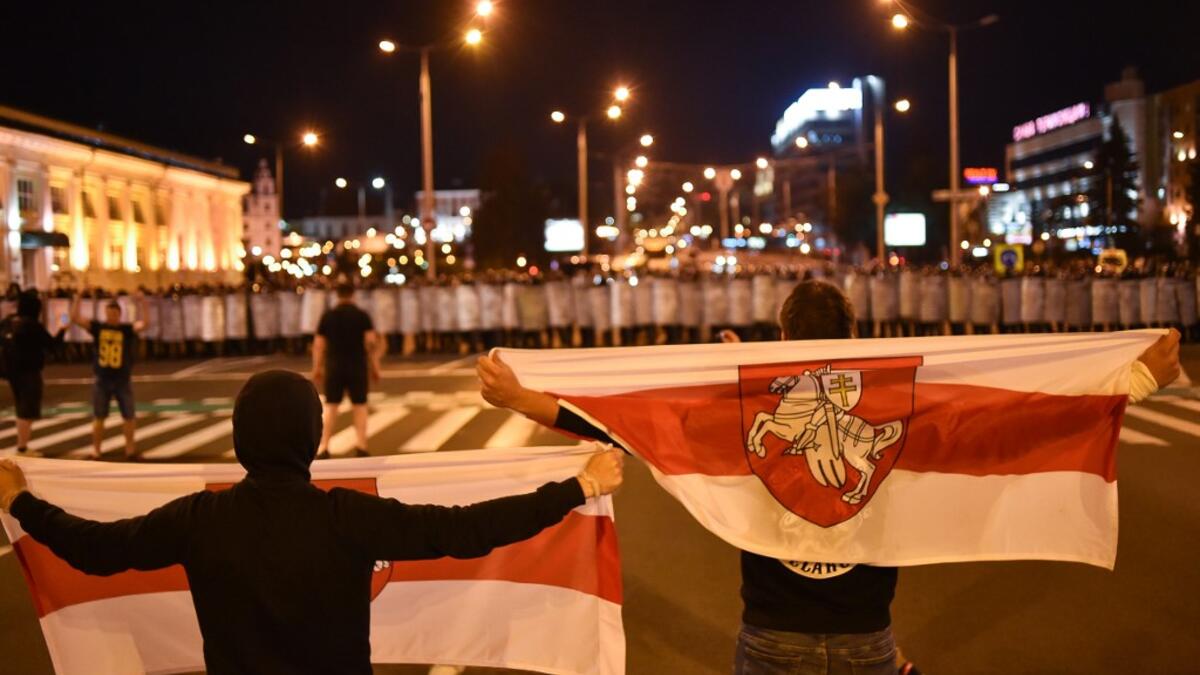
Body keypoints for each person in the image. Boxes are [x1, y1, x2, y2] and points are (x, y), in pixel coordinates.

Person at [478, 280, 1183, 675]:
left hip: (771, 632)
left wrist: (520, 397)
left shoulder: (745, 405)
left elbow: (624, 420)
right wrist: (1138, 379)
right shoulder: (903, 401)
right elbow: (1006, 420)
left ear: (785, 337)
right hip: (866, 637)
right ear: (854, 330)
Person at [0, 369, 624, 675]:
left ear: (240, 437)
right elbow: (463, 530)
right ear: (313, 438)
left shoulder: (200, 518)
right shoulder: (344, 516)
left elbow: (95, 549)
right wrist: (577, 486)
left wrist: (20, 501)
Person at [71, 292, 150, 459]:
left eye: (114, 314)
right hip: (102, 378)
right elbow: (76, 318)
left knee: (128, 415)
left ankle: (130, 450)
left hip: (122, 378)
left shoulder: (126, 329)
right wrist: (78, 297)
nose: (111, 317)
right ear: (105, 313)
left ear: (119, 315)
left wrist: (144, 303)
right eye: (109, 313)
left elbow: (145, 324)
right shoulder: (99, 328)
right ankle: (96, 450)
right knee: (99, 416)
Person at [312, 283, 383, 458]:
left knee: (331, 406)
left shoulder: (328, 316)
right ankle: (361, 445)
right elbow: (370, 343)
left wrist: (317, 368)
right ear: (353, 295)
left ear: (337, 295)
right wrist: (375, 366)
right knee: (360, 405)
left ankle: (324, 446)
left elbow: (319, 345)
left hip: (334, 366)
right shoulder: (362, 316)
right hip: (357, 365)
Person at [2, 291, 67, 455]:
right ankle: (22, 447)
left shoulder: (8, 322)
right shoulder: (32, 325)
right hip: (29, 371)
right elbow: (52, 345)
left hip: (10, 371)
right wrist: (62, 329)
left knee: (21, 406)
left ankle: (22, 444)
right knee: (27, 409)